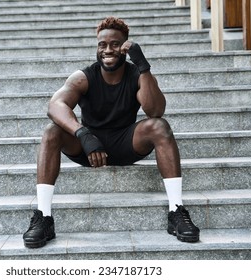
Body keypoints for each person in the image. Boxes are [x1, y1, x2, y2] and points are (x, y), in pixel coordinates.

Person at [23, 16, 200, 249]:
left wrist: (143, 66)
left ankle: (176, 211)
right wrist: (83, 134)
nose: (108, 49)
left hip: (126, 143)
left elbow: (155, 110)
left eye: (115, 44)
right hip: (88, 147)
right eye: (102, 45)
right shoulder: (83, 77)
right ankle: (43, 217)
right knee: (51, 132)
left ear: (125, 47)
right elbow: (54, 106)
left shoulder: (136, 75)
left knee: (160, 126)